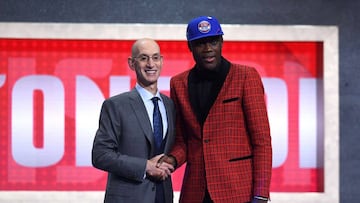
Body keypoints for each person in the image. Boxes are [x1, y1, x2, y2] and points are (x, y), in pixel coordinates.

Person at [160, 16, 272, 203]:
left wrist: (260, 194)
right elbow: (183, 140)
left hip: (237, 191)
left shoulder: (246, 77)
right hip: (195, 191)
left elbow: (262, 141)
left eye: (213, 41)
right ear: (190, 47)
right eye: (200, 43)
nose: (208, 49)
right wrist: (171, 159)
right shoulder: (178, 83)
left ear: (221, 42)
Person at [91, 38, 176, 203]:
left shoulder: (170, 105)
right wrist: (145, 167)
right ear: (132, 63)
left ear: (162, 61)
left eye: (155, 57)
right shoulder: (116, 105)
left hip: (163, 197)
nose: (151, 64)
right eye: (144, 58)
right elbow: (100, 155)